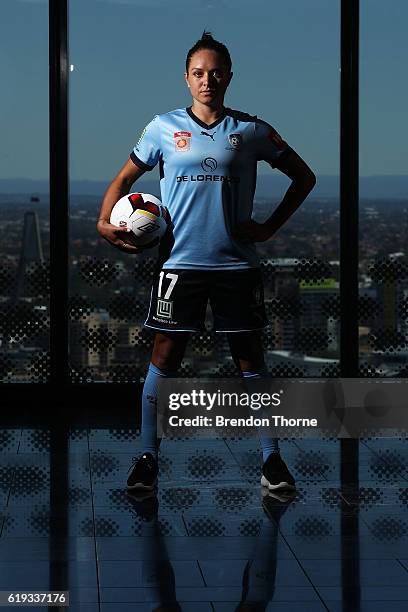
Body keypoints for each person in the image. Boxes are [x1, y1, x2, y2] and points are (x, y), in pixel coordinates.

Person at [97, 32, 316, 493]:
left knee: (251, 362)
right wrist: (103, 221)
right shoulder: (162, 127)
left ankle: (271, 459)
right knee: (164, 358)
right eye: (198, 73)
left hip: (236, 266)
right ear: (186, 78)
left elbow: (303, 176)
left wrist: (269, 228)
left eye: (216, 72)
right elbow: (123, 177)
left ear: (229, 77)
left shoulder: (252, 130)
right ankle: (147, 459)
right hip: (179, 264)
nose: (207, 80)